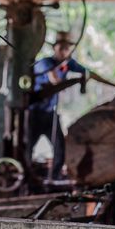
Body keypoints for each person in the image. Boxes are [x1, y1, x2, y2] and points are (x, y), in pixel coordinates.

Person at [27, 31, 86, 180]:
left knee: (60, 147)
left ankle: (54, 178)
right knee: (27, 148)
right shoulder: (44, 63)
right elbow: (54, 81)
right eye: (61, 48)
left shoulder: (69, 64)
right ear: (55, 48)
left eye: (67, 48)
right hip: (34, 114)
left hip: (50, 114)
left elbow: (87, 72)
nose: (64, 51)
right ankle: (27, 177)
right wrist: (68, 78)